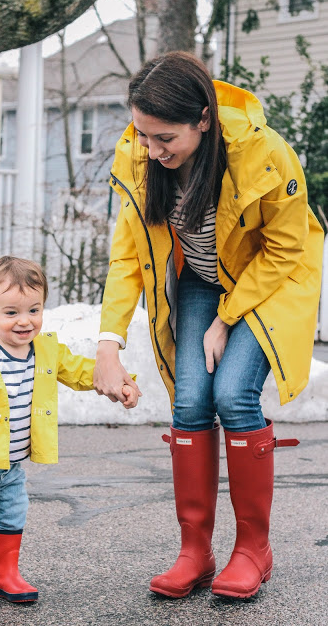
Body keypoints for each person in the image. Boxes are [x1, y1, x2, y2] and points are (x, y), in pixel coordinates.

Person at [93, 51, 323, 600]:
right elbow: (127, 257)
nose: (150, 149)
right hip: (199, 278)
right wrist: (108, 341)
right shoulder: (140, 154)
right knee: (191, 401)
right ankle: (195, 551)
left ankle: (253, 551)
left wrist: (225, 318)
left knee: (234, 395)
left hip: (268, 279)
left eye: (163, 138)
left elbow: (287, 247)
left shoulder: (265, 152)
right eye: (142, 134)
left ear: (203, 119)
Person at [0, 255, 138, 616]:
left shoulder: (46, 350)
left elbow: (80, 371)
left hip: (11, 465)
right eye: (11, 312)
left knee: (14, 513)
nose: (24, 321)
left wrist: (120, 382)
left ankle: (3, 574)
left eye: (34, 309)